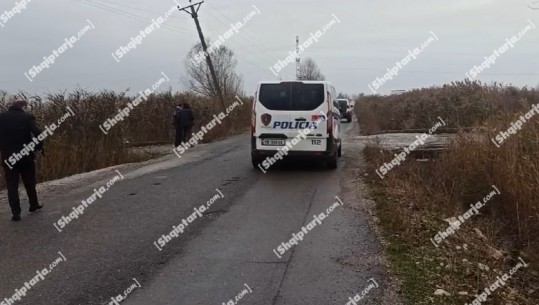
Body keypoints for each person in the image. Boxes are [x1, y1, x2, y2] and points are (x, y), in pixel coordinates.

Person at [0, 99, 44, 221]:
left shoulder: (1, 118)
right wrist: (38, 147)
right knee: (30, 181)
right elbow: (38, 133)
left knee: (12, 184)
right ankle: (33, 205)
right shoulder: (27, 117)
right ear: (22, 107)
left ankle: (16, 213)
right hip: (25, 155)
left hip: (8, 157)